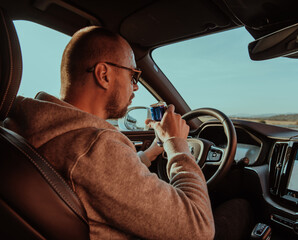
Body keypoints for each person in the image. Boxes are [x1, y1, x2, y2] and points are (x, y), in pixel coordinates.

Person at [4, 26, 214, 239]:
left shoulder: (28, 123)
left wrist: (151, 152)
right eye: (133, 76)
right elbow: (198, 228)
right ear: (104, 74)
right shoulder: (95, 146)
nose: (136, 87)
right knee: (239, 206)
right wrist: (177, 145)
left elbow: (101, 181)